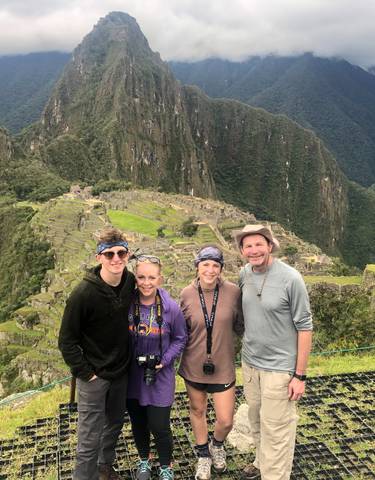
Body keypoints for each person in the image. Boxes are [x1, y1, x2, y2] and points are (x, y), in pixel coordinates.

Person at [234, 224, 313, 480]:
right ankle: (260, 461)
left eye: (259, 244)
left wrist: (299, 375)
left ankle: (274, 475)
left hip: (280, 369)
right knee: (256, 420)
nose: (254, 250)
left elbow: (304, 326)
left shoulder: (291, 279)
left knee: (277, 429)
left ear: (270, 245)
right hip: (251, 364)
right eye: (248, 245)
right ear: (242, 250)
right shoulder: (244, 274)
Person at [58, 227, 135, 480]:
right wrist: (87, 374)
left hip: (120, 372)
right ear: (98, 257)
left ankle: (105, 467)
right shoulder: (83, 294)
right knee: (88, 437)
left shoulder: (130, 282)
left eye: (121, 253)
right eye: (109, 254)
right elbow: (67, 340)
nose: (116, 259)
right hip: (94, 375)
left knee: (113, 423)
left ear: (127, 254)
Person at [178, 245, 243, 480]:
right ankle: (204, 455)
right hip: (193, 365)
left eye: (215, 265)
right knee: (198, 410)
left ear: (221, 269)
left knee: (226, 420)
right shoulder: (186, 293)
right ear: (197, 267)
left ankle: (217, 444)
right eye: (205, 264)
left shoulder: (233, 292)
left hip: (224, 366)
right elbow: (179, 331)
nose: (210, 270)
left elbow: (243, 326)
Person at [126, 255, 187, 480]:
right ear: (135, 278)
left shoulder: (171, 308)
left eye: (152, 277)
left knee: (160, 426)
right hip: (132, 376)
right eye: (141, 277)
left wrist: (165, 359)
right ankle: (144, 459)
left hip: (160, 376)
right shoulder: (128, 303)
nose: (146, 282)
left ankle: (165, 466)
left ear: (159, 279)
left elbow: (180, 338)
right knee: (138, 422)